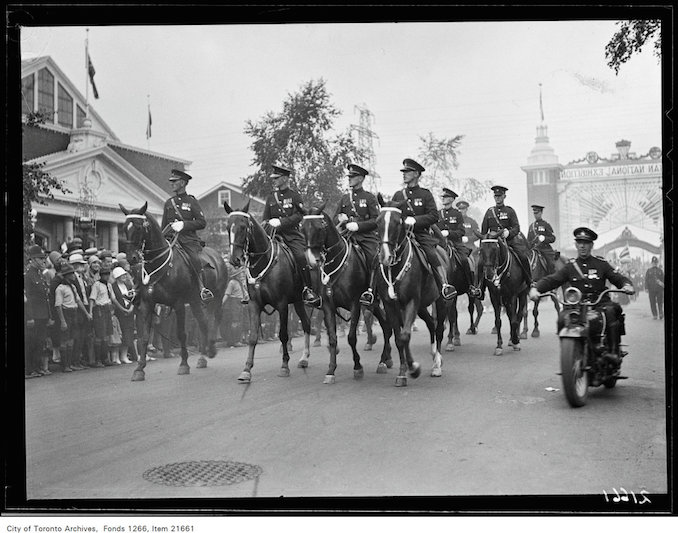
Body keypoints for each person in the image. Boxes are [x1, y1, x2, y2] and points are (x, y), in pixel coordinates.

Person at [529, 227, 634, 362]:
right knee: (562, 318)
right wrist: (536, 288)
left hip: (599, 304)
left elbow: (617, 277)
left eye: (586, 243)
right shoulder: (570, 266)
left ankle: (613, 351)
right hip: (577, 306)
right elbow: (553, 279)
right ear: (576, 245)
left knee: (611, 311)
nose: (582, 246)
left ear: (591, 245)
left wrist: (626, 285)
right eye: (579, 242)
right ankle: (569, 352)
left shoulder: (601, 264)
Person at [386, 158, 456, 300]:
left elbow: (433, 216)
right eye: (404, 172)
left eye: (408, 172)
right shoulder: (398, 195)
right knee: (382, 254)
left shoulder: (425, 194)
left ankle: (444, 286)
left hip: (420, 234)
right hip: (401, 235)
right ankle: (375, 290)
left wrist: (415, 220)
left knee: (432, 254)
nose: (404, 174)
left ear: (416, 174)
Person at [262, 165, 317, 306]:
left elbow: (299, 215)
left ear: (285, 178)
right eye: (273, 178)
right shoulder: (270, 198)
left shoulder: (294, 196)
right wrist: (268, 223)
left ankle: (307, 289)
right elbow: (265, 218)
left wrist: (281, 222)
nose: (274, 181)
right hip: (273, 236)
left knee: (300, 256)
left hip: (291, 235)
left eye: (277, 178)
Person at [161, 168, 213, 301]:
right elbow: (163, 226)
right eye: (171, 181)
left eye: (175, 181)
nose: (171, 183)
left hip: (188, 240)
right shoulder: (168, 203)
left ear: (183, 183)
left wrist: (184, 225)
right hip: (170, 240)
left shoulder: (191, 201)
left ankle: (202, 288)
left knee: (194, 259)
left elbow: (202, 222)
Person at [477, 185, 532, 299]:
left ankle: (530, 282)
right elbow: (483, 232)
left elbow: (516, 228)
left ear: (504, 196)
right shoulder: (489, 212)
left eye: (500, 196)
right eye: (496, 196)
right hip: (492, 245)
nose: (497, 198)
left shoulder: (509, 211)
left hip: (509, 243)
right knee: (480, 263)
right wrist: (482, 248)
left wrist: (509, 233)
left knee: (523, 257)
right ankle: (479, 289)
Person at [436, 188, 481, 298]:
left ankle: (471, 286)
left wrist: (449, 233)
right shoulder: (438, 214)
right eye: (443, 197)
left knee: (464, 260)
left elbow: (461, 231)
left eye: (446, 197)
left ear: (451, 199)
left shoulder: (457, 214)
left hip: (455, 244)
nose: (443, 199)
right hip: (440, 244)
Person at [24, 245, 53, 377]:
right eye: (40, 259)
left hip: (42, 314)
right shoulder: (28, 276)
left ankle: (36, 367)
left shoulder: (40, 275)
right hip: (33, 315)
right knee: (31, 342)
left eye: (43, 259)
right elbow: (27, 298)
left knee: (40, 342)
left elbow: (45, 298)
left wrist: (48, 316)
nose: (43, 261)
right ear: (33, 260)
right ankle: (29, 370)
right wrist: (29, 316)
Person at [54, 263, 85, 372]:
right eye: (71, 274)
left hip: (74, 312)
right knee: (64, 340)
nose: (73, 276)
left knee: (72, 339)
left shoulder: (72, 287)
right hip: (66, 312)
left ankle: (70, 363)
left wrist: (86, 313)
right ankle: (65, 365)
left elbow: (78, 301)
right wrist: (62, 321)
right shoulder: (60, 288)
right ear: (66, 276)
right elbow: (58, 305)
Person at [89, 266, 118, 365]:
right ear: (100, 276)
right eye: (104, 274)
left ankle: (105, 358)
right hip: (99, 309)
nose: (106, 276)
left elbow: (113, 298)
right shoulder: (97, 285)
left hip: (107, 308)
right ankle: (98, 360)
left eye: (107, 274)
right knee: (99, 335)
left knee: (106, 334)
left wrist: (119, 308)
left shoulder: (109, 285)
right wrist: (91, 312)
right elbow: (92, 299)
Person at [110, 266, 138, 363]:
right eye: (122, 275)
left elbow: (133, 297)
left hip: (129, 311)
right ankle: (116, 357)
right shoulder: (113, 286)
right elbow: (114, 300)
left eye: (124, 275)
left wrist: (131, 308)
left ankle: (124, 355)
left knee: (128, 334)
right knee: (120, 334)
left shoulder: (128, 285)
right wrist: (123, 310)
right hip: (120, 313)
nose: (124, 277)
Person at [527, 204, 557, 274]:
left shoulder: (545, 225)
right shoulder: (531, 226)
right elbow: (528, 240)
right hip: (534, 250)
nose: (535, 215)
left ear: (541, 213)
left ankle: (551, 278)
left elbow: (553, 238)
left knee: (551, 264)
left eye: (537, 213)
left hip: (545, 250)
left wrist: (544, 238)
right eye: (534, 213)